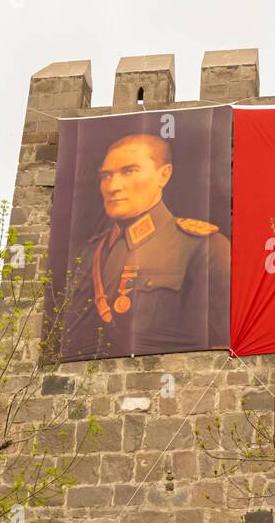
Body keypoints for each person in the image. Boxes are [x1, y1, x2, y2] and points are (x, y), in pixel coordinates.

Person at [59, 133, 230, 358]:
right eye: (106, 175)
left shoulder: (204, 246)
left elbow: (217, 348)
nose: (113, 186)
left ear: (164, 175)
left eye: (129, 171)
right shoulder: (90, 253)